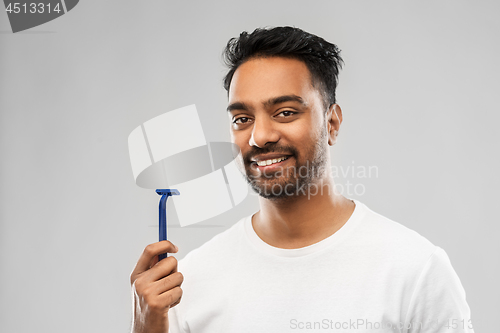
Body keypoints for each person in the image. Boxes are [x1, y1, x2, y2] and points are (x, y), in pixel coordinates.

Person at [130, 27, 474, 333]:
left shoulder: (415, 271)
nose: (260, 136)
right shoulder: (186, 284)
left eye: (285, 112)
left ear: (332, 123)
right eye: (242, 119)